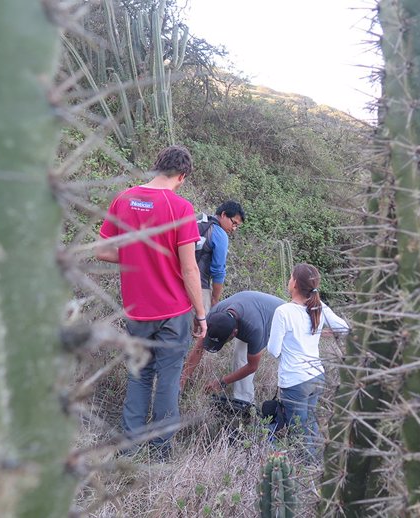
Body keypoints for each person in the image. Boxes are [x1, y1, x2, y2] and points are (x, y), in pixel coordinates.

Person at [96, 145, 207, 458]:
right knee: (168, 381)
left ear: (156, 166)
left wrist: (136, 257)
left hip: (137, 310)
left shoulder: (123, 199)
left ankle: (128, 450)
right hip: (174, 312)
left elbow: (102, 251)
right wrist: (201, 314)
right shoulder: (181, 208)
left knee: (139, 377)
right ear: (182, 176)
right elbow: (189, 268)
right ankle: (160, 451)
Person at [266, 263, 349, 459]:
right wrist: (321, 333)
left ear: (294, 283)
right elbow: (344, 328)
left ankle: (306, 471)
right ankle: (319, 468)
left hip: (295, 380)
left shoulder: (284, 311)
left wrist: (286, 355)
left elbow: (273, 349)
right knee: (311, 426)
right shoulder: (319, 307)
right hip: (316, 376)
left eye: (290, 277)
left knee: (299, 434)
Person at [181, 291, 284, 403]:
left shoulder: (254, 329)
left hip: (279, 317)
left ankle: (245, 403)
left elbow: (252, 366)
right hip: (251, 308)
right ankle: (241, 401)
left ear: (234, 333)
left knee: (244, 359)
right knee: (239, 357)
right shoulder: (214, 316)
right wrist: (182, 380)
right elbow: (198, 349)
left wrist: (222, 382)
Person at [196, 200, 245, 310]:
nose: (234, 229)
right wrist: (215, 299)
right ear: (223, 214)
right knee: (200, 326)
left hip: (176, 284)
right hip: (200, 289)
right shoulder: (220, 234)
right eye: (234, 223)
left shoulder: (199, 222)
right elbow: (218, 271)